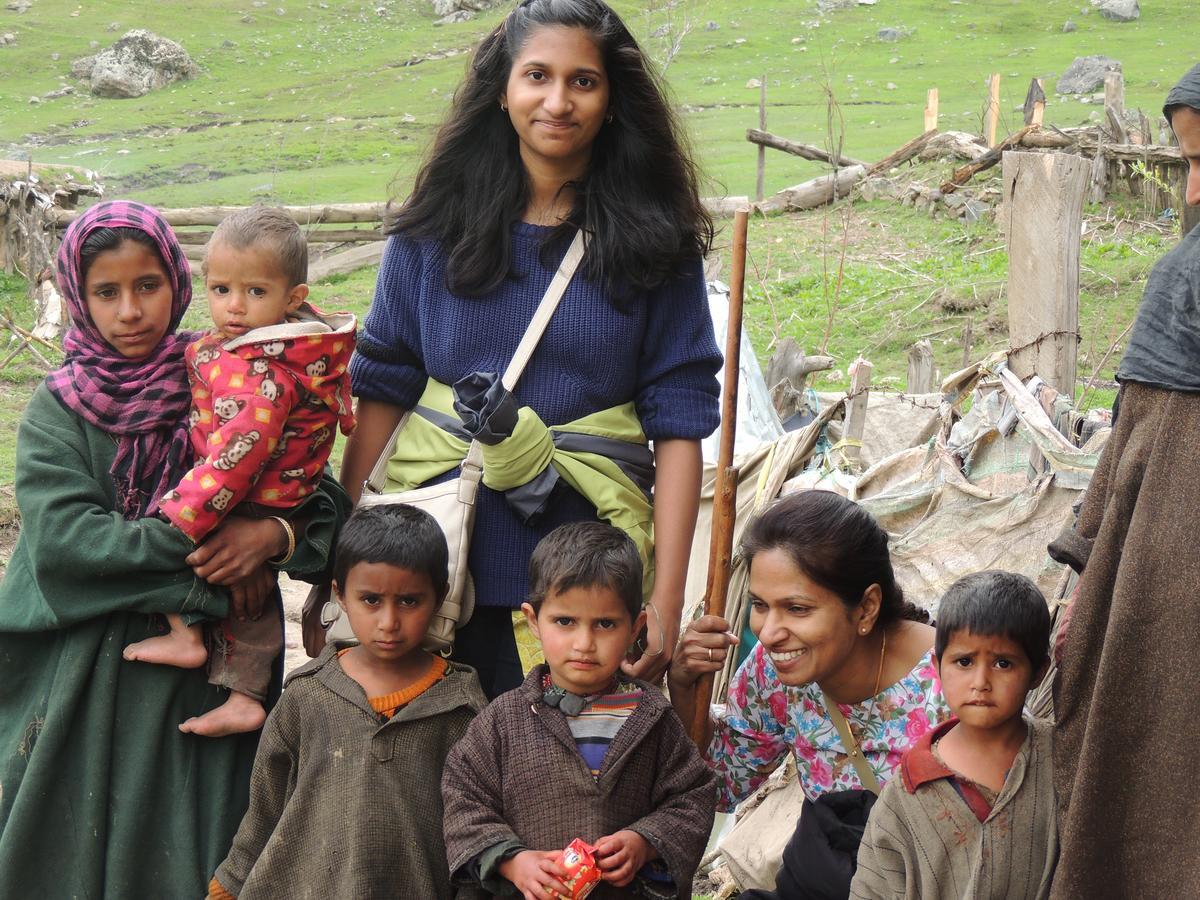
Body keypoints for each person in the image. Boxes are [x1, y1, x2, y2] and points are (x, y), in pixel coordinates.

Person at [327, 0, 722, 697]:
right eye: (537, 75)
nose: (557, 101)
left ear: (612, 98)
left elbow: (680, 425)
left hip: (585, 606)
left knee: (565, 798)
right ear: (503, 88)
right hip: (428, 584)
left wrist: (660, 604)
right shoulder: (430, 233)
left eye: (583, 81)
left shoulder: (656, 245)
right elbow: (383, 387)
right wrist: (344, 557)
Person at [0, 201, 348, 899]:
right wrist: (207, 580)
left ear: (178, 283)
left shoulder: (229, 375)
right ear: (77, 295)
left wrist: (270, 536)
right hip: (80, 683)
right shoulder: (57, 412)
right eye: (107, 292)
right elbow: (70, 547)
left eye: (148, 286)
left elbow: (323, 505)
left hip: (204, 691)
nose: (130, 311)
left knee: (196, 864)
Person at [1051, 63, 1200, 898]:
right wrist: (1090, 579)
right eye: (1188, 163)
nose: (1198, 187)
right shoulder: (1187, 269)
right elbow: (1141, 425)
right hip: (1158, 572)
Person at [124, 205, 356, 737]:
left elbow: (240, 453)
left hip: (251, 489)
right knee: (245, 589)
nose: (234, 307)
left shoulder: (263, 371)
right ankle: (243, 689)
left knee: (195, 554)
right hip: (279, 486)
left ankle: (199, 647)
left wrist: (188, 511)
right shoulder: (300, 345)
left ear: (291, 297)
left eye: (255, 292)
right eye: (221, 289)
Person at [668, 491, 951, 896]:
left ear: (867, 607)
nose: (767, 632)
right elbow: (725, 783)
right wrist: (684, 692)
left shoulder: (955, 684)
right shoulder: (773, 672)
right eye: (760, 605)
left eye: (797, 608)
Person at [207, 504, 487, 899]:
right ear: (340, 594)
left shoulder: (463, 710)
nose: (388, 622)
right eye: (371, 600)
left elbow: (474, 831)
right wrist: (229, 885)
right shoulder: (307, 695)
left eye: (409, 601)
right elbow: (266, 807)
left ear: (439, 596)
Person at [441, 522, 716, 899]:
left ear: (635, 627)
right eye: (565, 621)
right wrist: (514, 862)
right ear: (533, 620)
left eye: (605, 624)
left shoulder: (653, 717)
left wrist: (644, 841)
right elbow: (463, 798)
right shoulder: (502, 721)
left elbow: (693, 796)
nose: (584, 643)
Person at [850, 571, 1056, 900]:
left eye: (1003, 663)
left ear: (1037, 673)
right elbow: (873, 888)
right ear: (937, 665)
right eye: (964, 661)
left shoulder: (1060, 761)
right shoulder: (908, 794)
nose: (981, 681)